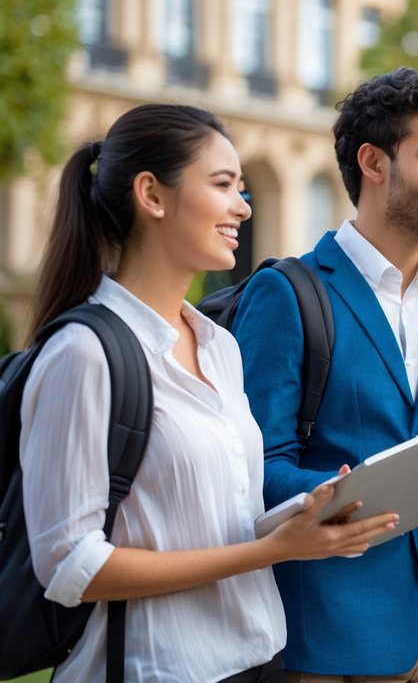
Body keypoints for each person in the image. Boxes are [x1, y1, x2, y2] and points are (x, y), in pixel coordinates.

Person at [20, 104, 395, 682]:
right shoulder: (83, 353)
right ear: (152, 194)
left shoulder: (220, 345)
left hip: (260, 660)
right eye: (223, 185)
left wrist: (313, 511)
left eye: (243, 189)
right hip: (158, 670)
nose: (243, 207)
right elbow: (70, 566)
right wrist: (275, 550)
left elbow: (223, 510)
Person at [231, 68, 418, 682]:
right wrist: (348, 489)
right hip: (333, 630)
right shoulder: (289, 293)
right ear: (373, 162)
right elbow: (250, 469)